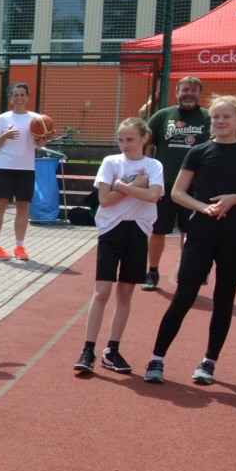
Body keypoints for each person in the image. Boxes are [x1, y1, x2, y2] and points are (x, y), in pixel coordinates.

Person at [143, 95, 236, 386]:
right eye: (216, 117)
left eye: (227, 116)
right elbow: (177, 193)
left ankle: (209, 362)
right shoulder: (198, 151)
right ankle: (157, 359)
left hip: (233, 233)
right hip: (201, 231)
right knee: (184, 296)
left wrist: (234, 198)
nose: (220, 121)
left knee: (224, 300)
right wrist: (202, 207)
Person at [74, 118, 163, 375]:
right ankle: (88, 349)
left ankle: (112, 350)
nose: (125, 144)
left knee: (125, 293)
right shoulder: (110, 162)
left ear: (144, 138)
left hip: (138, 231)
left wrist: (120, 186)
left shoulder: (154, 165)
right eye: (121, 139)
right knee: (102, 292)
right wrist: (135, 185)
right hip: (111, 231)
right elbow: (105, 200)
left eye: (130, 139)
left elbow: (153, 195)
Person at [144, 76, 210, 291]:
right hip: (164, 184)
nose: (189, 94)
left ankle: (189, 271)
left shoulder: (207, 117)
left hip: (195, 186)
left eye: (194, 90)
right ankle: (152, 271)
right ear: (177, 92)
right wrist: (149, 176)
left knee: (190, 232)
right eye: (185, 89)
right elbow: (148, 147)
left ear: (199, 94)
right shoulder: (162, 116)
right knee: (158, 230)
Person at [0, 82, 50, 261]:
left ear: (28, 98)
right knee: (0, 205)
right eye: (15, 95)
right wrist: (5, 135)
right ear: (11, 98)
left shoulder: (36, 119)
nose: (19, 98)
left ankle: (19, 246)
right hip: (5, 167)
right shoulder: (3, 118)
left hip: (26, 168)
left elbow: (38, 144)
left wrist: (44, 139)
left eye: (22, 95)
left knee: (23, 207)